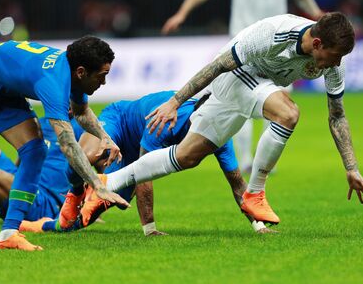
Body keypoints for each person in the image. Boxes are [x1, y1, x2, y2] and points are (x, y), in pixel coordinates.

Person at [105, 12, 363, 228]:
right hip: (233, 75)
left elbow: (337, 115)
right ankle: (255, 193)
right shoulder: (274, 33)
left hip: (253, 88)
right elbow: (218, 65)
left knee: (187, 156)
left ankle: (108, 183)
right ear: (317, 44)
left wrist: (351, 167)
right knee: (288, 113)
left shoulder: (334, 63)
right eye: (335, 56)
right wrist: (175, 102)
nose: (336, 63)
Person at [162, 0, 323, 171]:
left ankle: (264, 161)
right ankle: (246, 159)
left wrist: (320, 18)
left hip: (280, 47)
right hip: (244, 44)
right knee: (242, 104)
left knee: (279, 101)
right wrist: (183, 12)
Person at [23, 91, 274, 235]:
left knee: (94, 212)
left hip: (137, 149)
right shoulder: (165, 121)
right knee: (90, 157)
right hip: (118, 121)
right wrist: (149, 228)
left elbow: (238, 185)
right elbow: (145, 172)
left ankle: (44, 225)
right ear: (197, 117)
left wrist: (258, 226)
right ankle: (75, 192)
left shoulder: (219, 136)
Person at [0, 36, 128, 251]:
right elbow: (67, 145)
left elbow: (82, 111)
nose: (104, 82)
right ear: (82, 72)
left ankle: (8, 234)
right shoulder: (54, 84)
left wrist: (105, 137)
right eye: (102, 76)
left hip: (1, 94)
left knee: (35, 150)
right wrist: (96, 185)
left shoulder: (73, 73)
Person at [0, 117, 83, 227]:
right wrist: (5, 184)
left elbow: (95, 168)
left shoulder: (82, 127)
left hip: (45, 202)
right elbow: (25, 156)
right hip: (25, 182)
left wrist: (82, 207)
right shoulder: (41, 122)